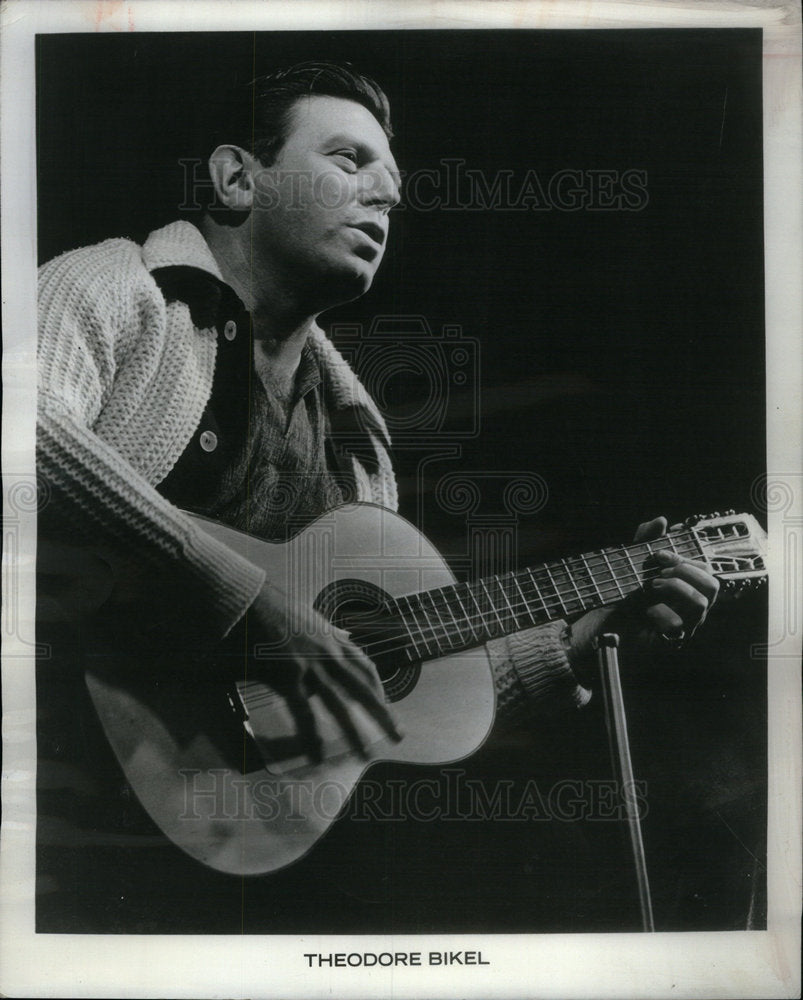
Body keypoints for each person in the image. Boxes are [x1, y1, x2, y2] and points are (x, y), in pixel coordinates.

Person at [36, 62, 719, 929]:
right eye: (349, 161)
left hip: (220, 848)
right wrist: (247, 598)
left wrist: (585, 636)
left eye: (390, 191)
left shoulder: (359, 442)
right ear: (237, 176)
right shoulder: (117, 285)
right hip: (55, 796)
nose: (381, 201)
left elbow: (382, 689)